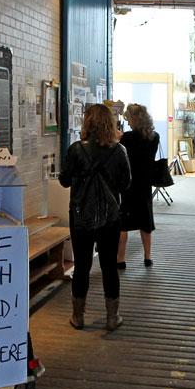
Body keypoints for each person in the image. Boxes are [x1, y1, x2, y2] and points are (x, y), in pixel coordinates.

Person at [59, 104, 132, 331]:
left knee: (82, 266)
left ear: (88, 122)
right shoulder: (119, 151)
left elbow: (64, 181)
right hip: (110, 217)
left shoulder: (76, 149)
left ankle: (78, 317)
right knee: (109, 266)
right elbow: (125, 183)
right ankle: (112, 317)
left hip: (80, 217)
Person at [117, 103, 160, 270]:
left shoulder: (126, 138)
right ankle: (147, 257)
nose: (127, 123)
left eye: (128, 119)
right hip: (145, 183)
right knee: (145, 220)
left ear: (134, 119)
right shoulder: (154, 137)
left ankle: (120, 259)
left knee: (124, 222)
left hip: (128, 183)